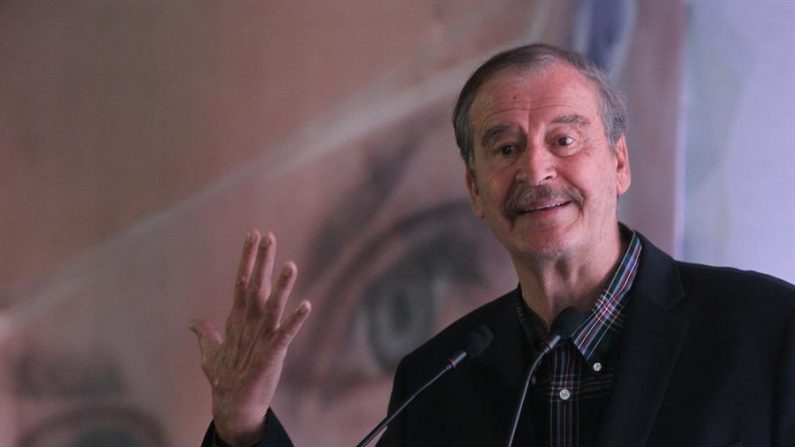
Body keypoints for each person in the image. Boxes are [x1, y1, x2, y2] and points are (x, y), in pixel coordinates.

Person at [190, 43, 795, 446]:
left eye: (564, 140)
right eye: (505, 149)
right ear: (476, 191)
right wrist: (243, 430)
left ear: (618, 163)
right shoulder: (438, 379)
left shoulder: (768, 331)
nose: (536, 171)